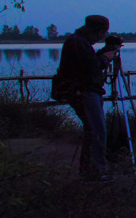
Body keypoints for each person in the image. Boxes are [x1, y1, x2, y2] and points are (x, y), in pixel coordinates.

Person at [51, 15, 121, 182]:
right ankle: (95, 172)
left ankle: (90, 170)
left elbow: (88, 62)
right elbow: (91, 67)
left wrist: (105, 52)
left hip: (88, 91)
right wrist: (106, 58)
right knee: (97, 131)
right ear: (99, 31)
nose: (103, 36)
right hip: (82, 92)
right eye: (104, 32)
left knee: (94, 130)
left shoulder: (79, 42)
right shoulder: (77, 42)